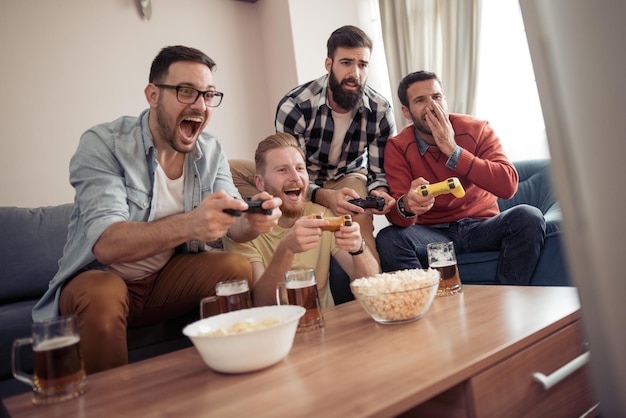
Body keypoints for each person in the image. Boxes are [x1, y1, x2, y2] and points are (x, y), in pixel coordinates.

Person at [32, 45, 282, 374]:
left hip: (165, 280)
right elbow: (106, 244)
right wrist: (191, 223)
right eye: (186, 92)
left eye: (208, 95)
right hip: (101, 278)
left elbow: (236, 226)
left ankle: (229, 375)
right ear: (153, 95)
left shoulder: (211, 149)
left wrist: (255, 219)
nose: (200, 105)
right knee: (102, 294)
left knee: (235, 268)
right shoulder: (104, 144)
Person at [231, 25, 396, 264]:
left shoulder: (380, 110)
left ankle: (374, 288)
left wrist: (379, 192)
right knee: (232, 168)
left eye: (362, 65)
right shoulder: (294, 106)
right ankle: (271, 218)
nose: (355, 73)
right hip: (301, 176)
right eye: (346, 63)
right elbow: (289, 166)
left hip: (348, 175)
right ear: (329, 64)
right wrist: (323, 195)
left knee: (358, 216)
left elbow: (379, 172)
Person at [376, 71, 546, 285]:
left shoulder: (477, 129)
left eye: (436, 97)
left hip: (483, 227)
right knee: (389, 239)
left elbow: (508, 185)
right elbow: (397, 216)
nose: (432, 106)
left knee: (529, 217)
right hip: (433, 234)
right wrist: (408, 205)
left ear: (444, 100)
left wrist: (453, 150)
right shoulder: (398, 146)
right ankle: (428, 304)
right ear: (406, 111)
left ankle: (509, 296)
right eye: (420, 100)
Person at [224, 133, 379, 308]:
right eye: (282, 170)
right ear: (260, 183)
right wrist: (287, 250)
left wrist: (359, 248)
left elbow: (373, 285)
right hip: (279, 329)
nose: (295, 178)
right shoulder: (245, 229)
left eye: (299, 168)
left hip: (325, 325)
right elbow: (263, 304)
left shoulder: (324, 215)